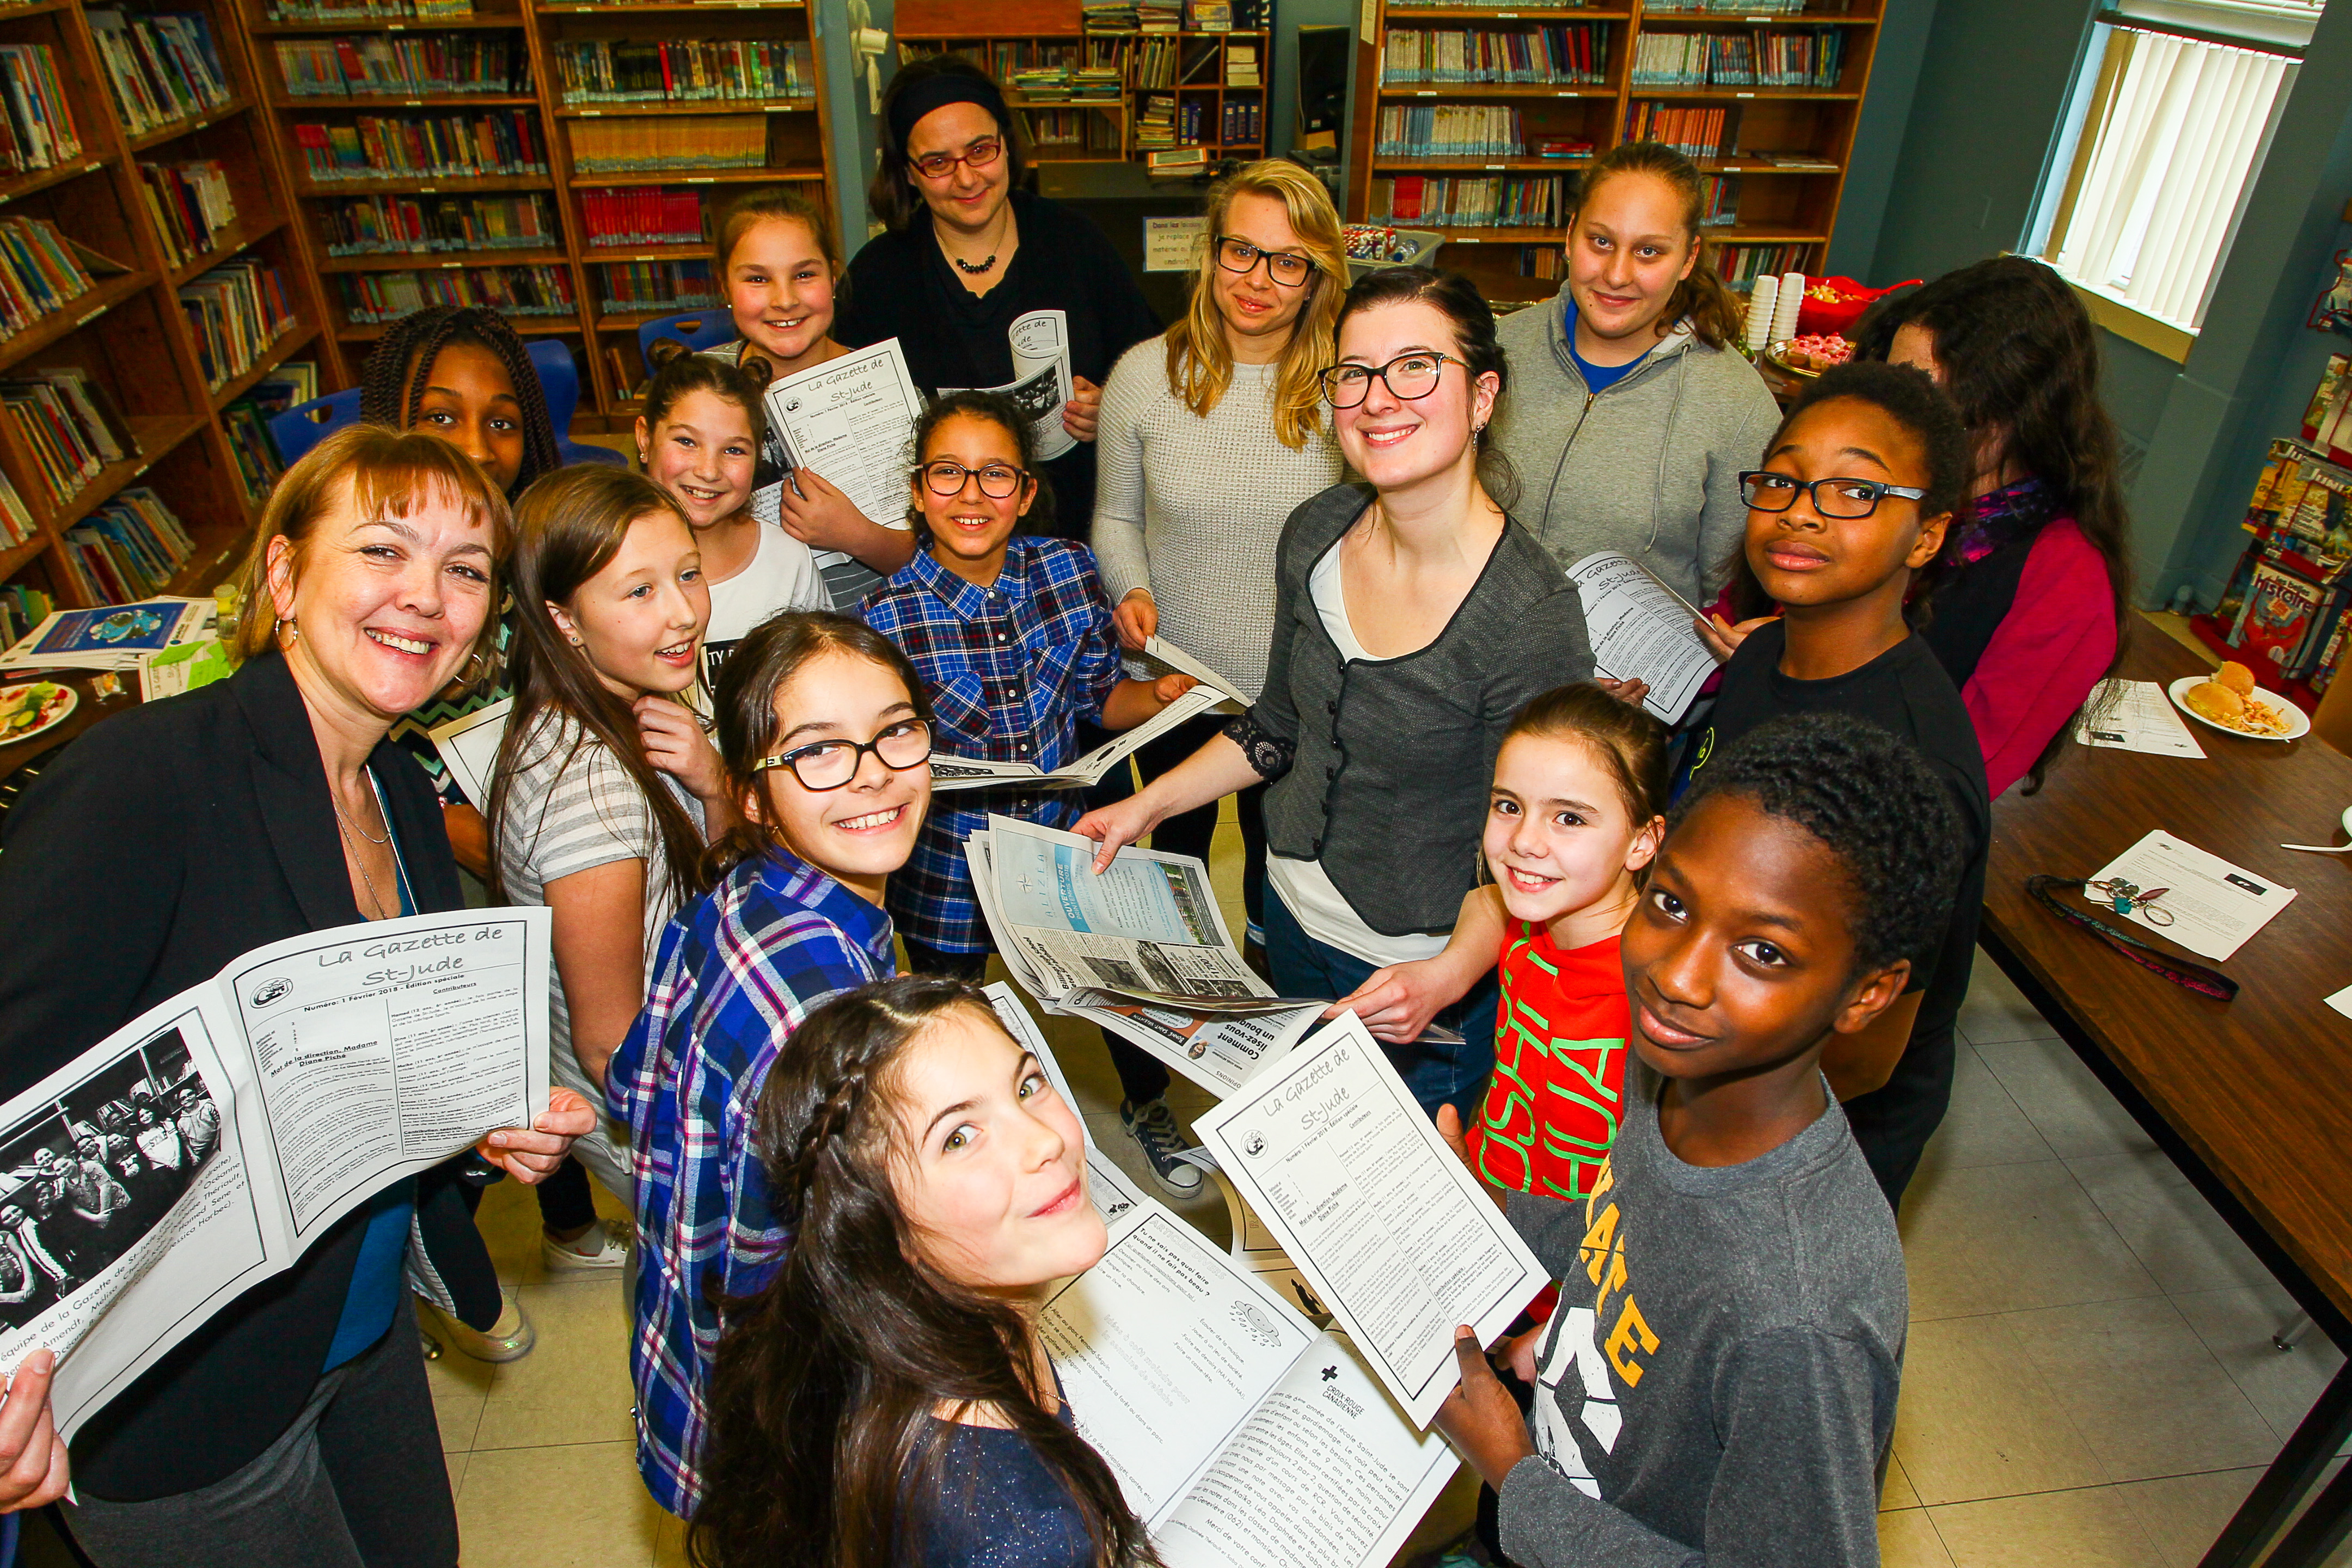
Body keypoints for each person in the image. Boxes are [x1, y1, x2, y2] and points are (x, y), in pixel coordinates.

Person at [0, 426, 595, 1555]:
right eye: (382, 550)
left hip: (355, 1326)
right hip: (184, 1395)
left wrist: (482, 1131)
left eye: (465, 570)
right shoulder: (140, 783)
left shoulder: (402, 795)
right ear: (282, 574)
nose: (426, 595)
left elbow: (349, 1082)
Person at [1431, 712, 1962, 1568]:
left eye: (1762, 950)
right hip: (1564, 1477)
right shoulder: (1673, 1079)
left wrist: (1513, 1471)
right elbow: (1631, 1237)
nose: (1676, 977)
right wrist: (1494, 1210)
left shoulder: (1801, 1323)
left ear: (1867, 995)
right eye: (1672, 906)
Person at [1076, 268, 1596, 1121]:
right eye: (1353, 373)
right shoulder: (1316, 532)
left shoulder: (1531, 616)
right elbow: (1277, 728)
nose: (1379, 398)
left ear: (1482, 396)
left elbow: (1543, 850)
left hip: (1417, 972)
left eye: (1417, 366)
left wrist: (1453, 974)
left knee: (1405, 1216)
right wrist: (1147, 807)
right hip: (1289, 920)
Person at [608, 612, 934, 1517]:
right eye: (818, 752)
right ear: (751, 793)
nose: (873, 772)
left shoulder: (743, 894)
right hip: (791, 1395)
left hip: (696, 1338)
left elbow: (635, 1082)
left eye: (896, 730)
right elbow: (876, 1267)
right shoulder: (828, 1008)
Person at [689, 977, 1150, 1568]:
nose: (1042, 1141)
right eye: (959, 1138)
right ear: (880, 1222)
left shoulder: (863, 1316)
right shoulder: (1030, 1539)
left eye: (1027, 1086)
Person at [1680, 362, 1989, 1209]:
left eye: (1856, 492)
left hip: (1799, 1139)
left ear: (1926, 537)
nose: (1802, 509)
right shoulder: (1767, 656)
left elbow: (1866, 1053)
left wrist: (1680, 1107)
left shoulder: (1907, 760)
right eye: (1783, 479)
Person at [1093, 160, 1346, 961]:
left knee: (1284, 889)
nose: (1259, 280)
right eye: (1241, 251)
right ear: (1209, 255)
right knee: (1175, 882)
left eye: (1288, 261)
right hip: (1173, 683)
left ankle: (1279, 1048)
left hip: (1299, 696)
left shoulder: (1347, 390)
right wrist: (1129, 586)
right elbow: (1114, 515)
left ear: (1316, 279)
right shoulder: (1144, 374)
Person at [491, 466, 733, 1260]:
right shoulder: (588, 792)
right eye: (639, 591)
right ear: (564, 618)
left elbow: (715, 871)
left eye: (688, 574)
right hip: (662, 1123)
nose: (683, 611)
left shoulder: (639, 695)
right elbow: (612, 1048)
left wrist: (712, 780)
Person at [1339, 684, 1667, 1208]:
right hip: (1496, 1195)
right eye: (1509, 806)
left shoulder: (1661, 995)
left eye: (1570, 818)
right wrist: (1444, 975)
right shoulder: (1534, 920)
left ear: (1642, 842)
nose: (1523, 842)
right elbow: (1488, 903)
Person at [837, 57, 1160, 544]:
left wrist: (1114, 407)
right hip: (937, 550)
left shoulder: (1076, 244)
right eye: (939, 163)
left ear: (1007, 145)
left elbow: (1159, 372)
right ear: (908, 174)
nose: (967, 180)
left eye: (980, 151)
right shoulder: (879, 275)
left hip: (1079, 538)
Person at [1846, 255, 2132, 797]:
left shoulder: (2065, 578)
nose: (1897, 421)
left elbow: (1960, 775)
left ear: (2016, 412)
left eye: (1935, 403)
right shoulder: (1898, 485)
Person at [1489, 140, 1780, 608]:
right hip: (1475, 653)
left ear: (1688, 258)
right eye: (1600, 242)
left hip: (1630, 676)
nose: (1617, 274)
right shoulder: (1498, 348)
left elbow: (1729, 595)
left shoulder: (1737, 405)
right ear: (1569, 237)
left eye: (1649, 252)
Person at [362, 304, 566, 878]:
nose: (476, 449)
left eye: (502, 424)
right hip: (406, 841)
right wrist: (442, 824)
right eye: (441, 418)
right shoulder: (364, 581)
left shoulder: (536, 566)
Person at [698, 187, 918, 608]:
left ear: (834, 278)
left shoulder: (889, 386)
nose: (784, 300)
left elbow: (940, 560)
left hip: (871, 625)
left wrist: (857, 536)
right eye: (757, 279)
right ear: (724, 283)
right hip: (740, 622)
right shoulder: (695, 385)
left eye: (804, 275)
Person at [636, 343, 829, 693]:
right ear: (645, 438)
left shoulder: (787, 559)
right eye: (686, 441)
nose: (709, 471)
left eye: (734, 450)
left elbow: (820, 680)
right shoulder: (606, 557)